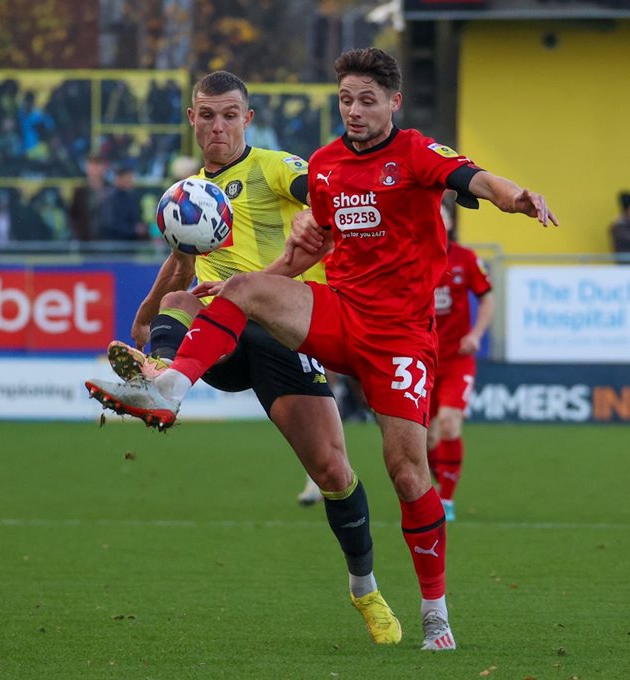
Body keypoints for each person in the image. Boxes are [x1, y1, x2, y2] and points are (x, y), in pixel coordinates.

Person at [85, 48, 557, 651]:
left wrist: (516, 198)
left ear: (393, 103)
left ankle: (432, 610)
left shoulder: (412, 152)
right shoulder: (329, 165)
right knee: (243, 287)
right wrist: (253, 284)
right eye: (345, 100)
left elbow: (475, 178)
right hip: (339, 314)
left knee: (406, 473)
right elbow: (310, 251)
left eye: (367, 100)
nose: (354, 111)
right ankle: (169, 387)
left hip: (402, 338)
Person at [85, 71, 401, 646]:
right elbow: (183, 264)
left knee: (332, 471)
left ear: (247, 119)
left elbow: (326, 198)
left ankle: (366, 589)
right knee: (182, 300)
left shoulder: (276, 167)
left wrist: (313, 215)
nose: (218, 126)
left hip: (282, 334)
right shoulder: (185, 196)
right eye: (207, 115)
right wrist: (147, 317)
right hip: (217, 334)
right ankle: (159, 383)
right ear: (191, 119)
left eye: (230, 114)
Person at [427, 206, 494, 523]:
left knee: (451, 424)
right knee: (427, 439)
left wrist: (477, 334)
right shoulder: (414, 255)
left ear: (452, 222)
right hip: (422, 358)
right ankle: (434, 481)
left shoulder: (466, 259)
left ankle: (447, 500)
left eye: (443, 215)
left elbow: (487, 298)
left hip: (457, 360)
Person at [69, 153, 109, 241]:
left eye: (97, 164)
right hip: (86, 241)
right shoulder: (80, 192)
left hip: (108, 241)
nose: (94, 168)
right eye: (91, 164)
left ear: (104, 167)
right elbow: (74, 216)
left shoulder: (112, 189)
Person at [99, 166, 145, 241]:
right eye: (128, 177)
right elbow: (110, 223)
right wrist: (134, 229)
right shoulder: (110, 198)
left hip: (129, 245)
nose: (131, 180)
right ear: (120, 178)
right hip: (114, 245)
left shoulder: (130, 196)